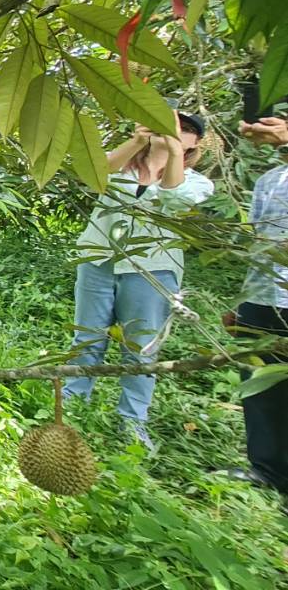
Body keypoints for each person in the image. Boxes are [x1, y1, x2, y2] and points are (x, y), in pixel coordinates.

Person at [63, 113, 214, 452]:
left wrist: (173, 153)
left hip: (154, 270)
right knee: (87, 337)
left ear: (195, 144)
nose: (175, 130)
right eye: (169, 122)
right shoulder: (123, 168)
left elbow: (174, 200)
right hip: (98, 260)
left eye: (187, 130)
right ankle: (73, 405)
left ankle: (132, 422)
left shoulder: (198, 182)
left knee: (142, 349)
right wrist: (135, 140)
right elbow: (92, 176)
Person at [231, 114, 288, 500]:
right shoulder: (269, 181)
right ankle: (266, 469)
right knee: (260, 389)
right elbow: (258, 247)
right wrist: (243, 301)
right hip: (263, 297)